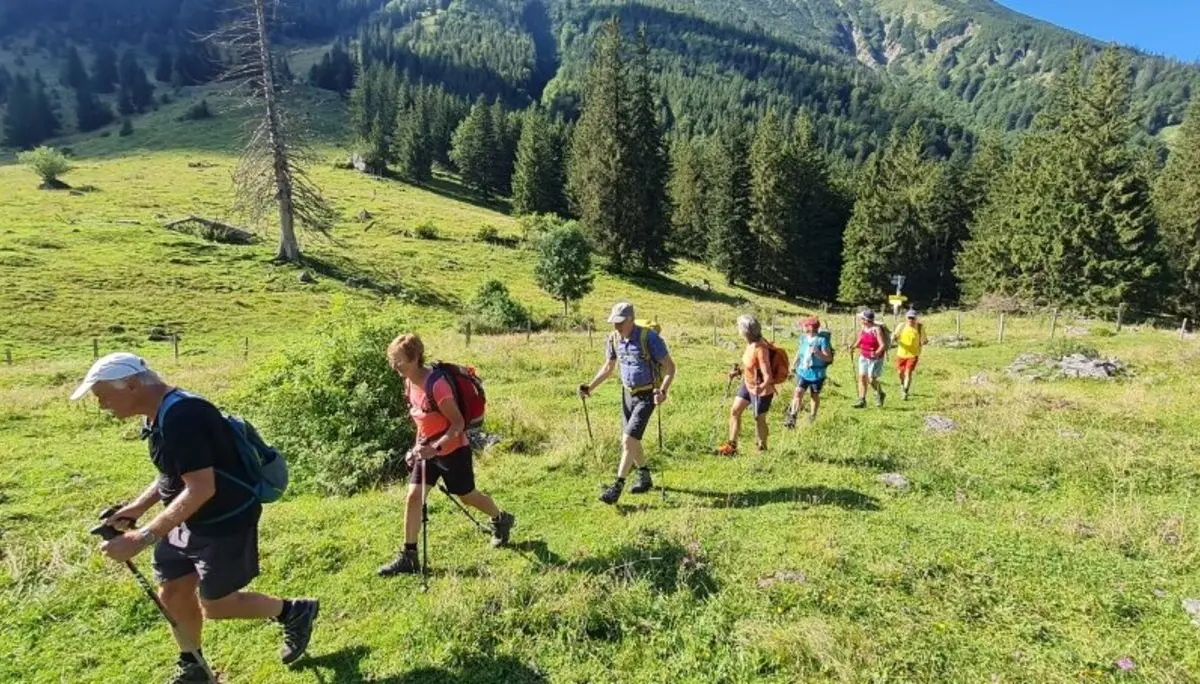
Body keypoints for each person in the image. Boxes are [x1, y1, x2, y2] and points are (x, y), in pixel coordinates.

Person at [71, 353, 318, 684]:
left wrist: (142, 537)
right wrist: (136, 508)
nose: (101, 405)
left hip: (222, 520)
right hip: (184, 520)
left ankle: (294, 611)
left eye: (102, 395)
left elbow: (201, 488)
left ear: (130, 384)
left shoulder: (183, 416)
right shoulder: (158, 414)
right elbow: (173, 476)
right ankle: (193, 667)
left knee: (216, 606)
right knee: (172, 591)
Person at [379, 334, 515, 577]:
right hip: (426, 449)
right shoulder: (409, 382)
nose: (394, 365)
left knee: (468, 496)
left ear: (415, 358)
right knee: (413, 497)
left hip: (453, 450)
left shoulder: (437, 386)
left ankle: (500, 518)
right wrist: (416, 448)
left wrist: (436, 448)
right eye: (392, 360)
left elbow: (457, 424)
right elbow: (423, 421)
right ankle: (409, 556)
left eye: (399, 360)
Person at [579, 302, 677, 505]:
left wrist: (663, 391)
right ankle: (644, 476)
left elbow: (670, 367)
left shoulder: (649, 338)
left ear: (631, 319)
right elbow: (608, 367)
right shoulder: (614, 338)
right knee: (632, 441)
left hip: (648, 394)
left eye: (620, 322)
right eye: (614, 322)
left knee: (627, 441)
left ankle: (617, 486)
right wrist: (590, 387)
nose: (616, 326)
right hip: (627, 394)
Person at [717, 314, 777, 455]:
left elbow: (767, 375)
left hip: (761, 388)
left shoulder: (761, 349)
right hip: (747, 383)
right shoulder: (749, 344)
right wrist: (739, 372)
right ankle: (732, 447)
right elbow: (751, 365)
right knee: (735, 411)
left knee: (758, 418)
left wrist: (761, 387)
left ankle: (763, 448)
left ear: (745, 331)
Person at [785, 316, 833, 426]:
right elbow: (799, 351)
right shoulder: (803, 338)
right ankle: (792, 417)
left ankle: (812, 416)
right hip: (803, 370)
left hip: (817, 374)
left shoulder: (822, 340)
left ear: (810, 327)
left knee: (814, 395)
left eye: (805, 325)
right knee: (798, 392)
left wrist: (818, 353)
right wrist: (794, 364)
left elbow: (829, 358)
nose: (803, 327)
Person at [853, 309, 887, 409]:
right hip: (863, 356)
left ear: (866, 320)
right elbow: (860, 339)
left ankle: (880, 393)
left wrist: (876, 353)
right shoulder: (863, 328)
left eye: (862, 318)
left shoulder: (876, 329)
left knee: (871, 379)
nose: (860, 320)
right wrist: (853, 346)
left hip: (875, 358)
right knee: (862, 377)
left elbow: (882, 345)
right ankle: (862, 400)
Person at [894, 309, 928, 400]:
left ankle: (905, 391)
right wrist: (893, 338)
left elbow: (925, 340)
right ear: (906, 318)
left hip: (913, 354)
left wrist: (922, 343)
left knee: (908, 373)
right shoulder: (901, 326)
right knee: (900, 372)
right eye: (909, 318)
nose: (911, 320)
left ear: (916, 318)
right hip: (901, 354)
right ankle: (902, 384)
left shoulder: (920, 327)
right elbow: (895, 336)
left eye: (913, 318)